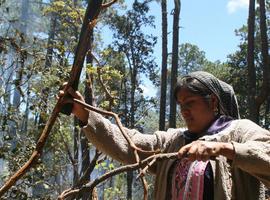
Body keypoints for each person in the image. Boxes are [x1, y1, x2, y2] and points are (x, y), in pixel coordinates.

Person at [59, 71, 270, 200]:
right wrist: (85, 112)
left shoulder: (240, 131)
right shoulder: (174, 140)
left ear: (213, 102)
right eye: (181, 105)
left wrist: (225, 149)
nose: (184, 111)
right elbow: (131, 143)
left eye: (190, 103)